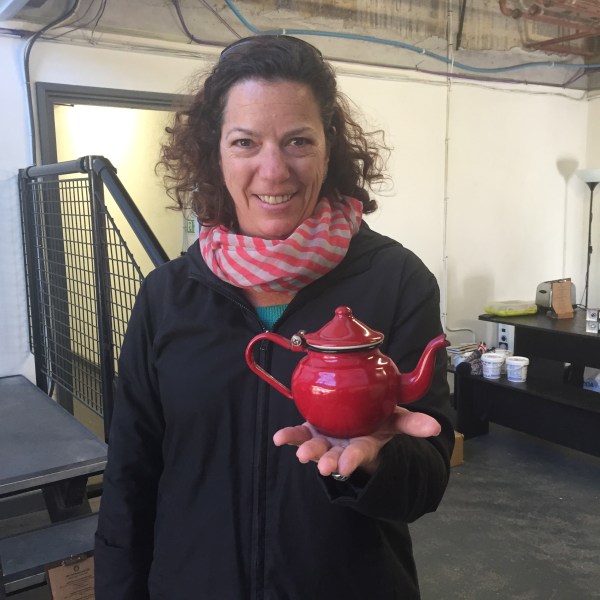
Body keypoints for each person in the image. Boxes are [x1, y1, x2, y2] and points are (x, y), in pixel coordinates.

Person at [94, 34, 454, 600]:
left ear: (329, 148)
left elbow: (426, 482)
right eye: (245, 142)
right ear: (215, 152)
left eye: (297, 141)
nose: (273, 170)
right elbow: (130, 476)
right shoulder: (167, 295)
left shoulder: (398, 281)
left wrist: (376, 462)